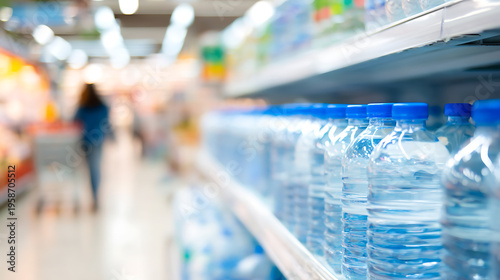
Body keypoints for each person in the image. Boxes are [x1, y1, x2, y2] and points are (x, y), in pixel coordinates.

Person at [74, 83, 110, 211]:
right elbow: (107, 123)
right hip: (97, 141)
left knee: (84, 171)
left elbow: (75, 121)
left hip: (83, 142)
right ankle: (95, 198)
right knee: (95, 170)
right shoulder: (103, 107)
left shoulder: (82, 107)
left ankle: (83, 199)